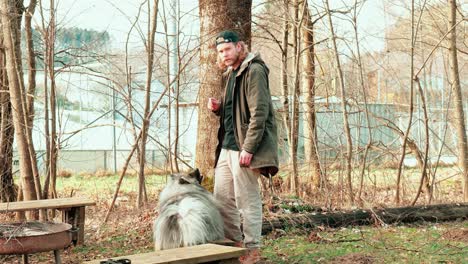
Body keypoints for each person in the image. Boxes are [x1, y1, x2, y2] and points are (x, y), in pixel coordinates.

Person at [207, 30, 279, 264]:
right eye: (220, 51)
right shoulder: (232, 73)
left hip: (243, 147)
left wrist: (249, 148)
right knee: (222, 198)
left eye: (227, 49)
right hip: (227, 147)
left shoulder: (254, 70)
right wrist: (219, 108)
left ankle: (252, 250)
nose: (224, 54)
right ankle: (235, 245)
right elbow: (237, 111)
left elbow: (260, 113)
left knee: (246, 200)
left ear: (240, 47)